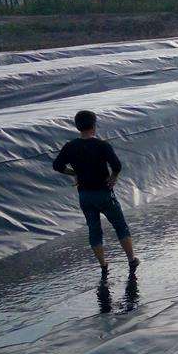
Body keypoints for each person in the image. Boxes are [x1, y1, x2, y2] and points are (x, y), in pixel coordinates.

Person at [53, 110, 139, 277]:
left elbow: (57, 165)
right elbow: (117, 166)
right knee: (120, 226)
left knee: (94, 230)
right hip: (104, 193)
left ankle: (103, 265)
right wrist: (113, 177)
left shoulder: (70, 146)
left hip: (85, 196)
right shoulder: (102, 145)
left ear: (77, 127)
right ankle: (131, 259)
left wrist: (74, 173)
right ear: (94, 125)